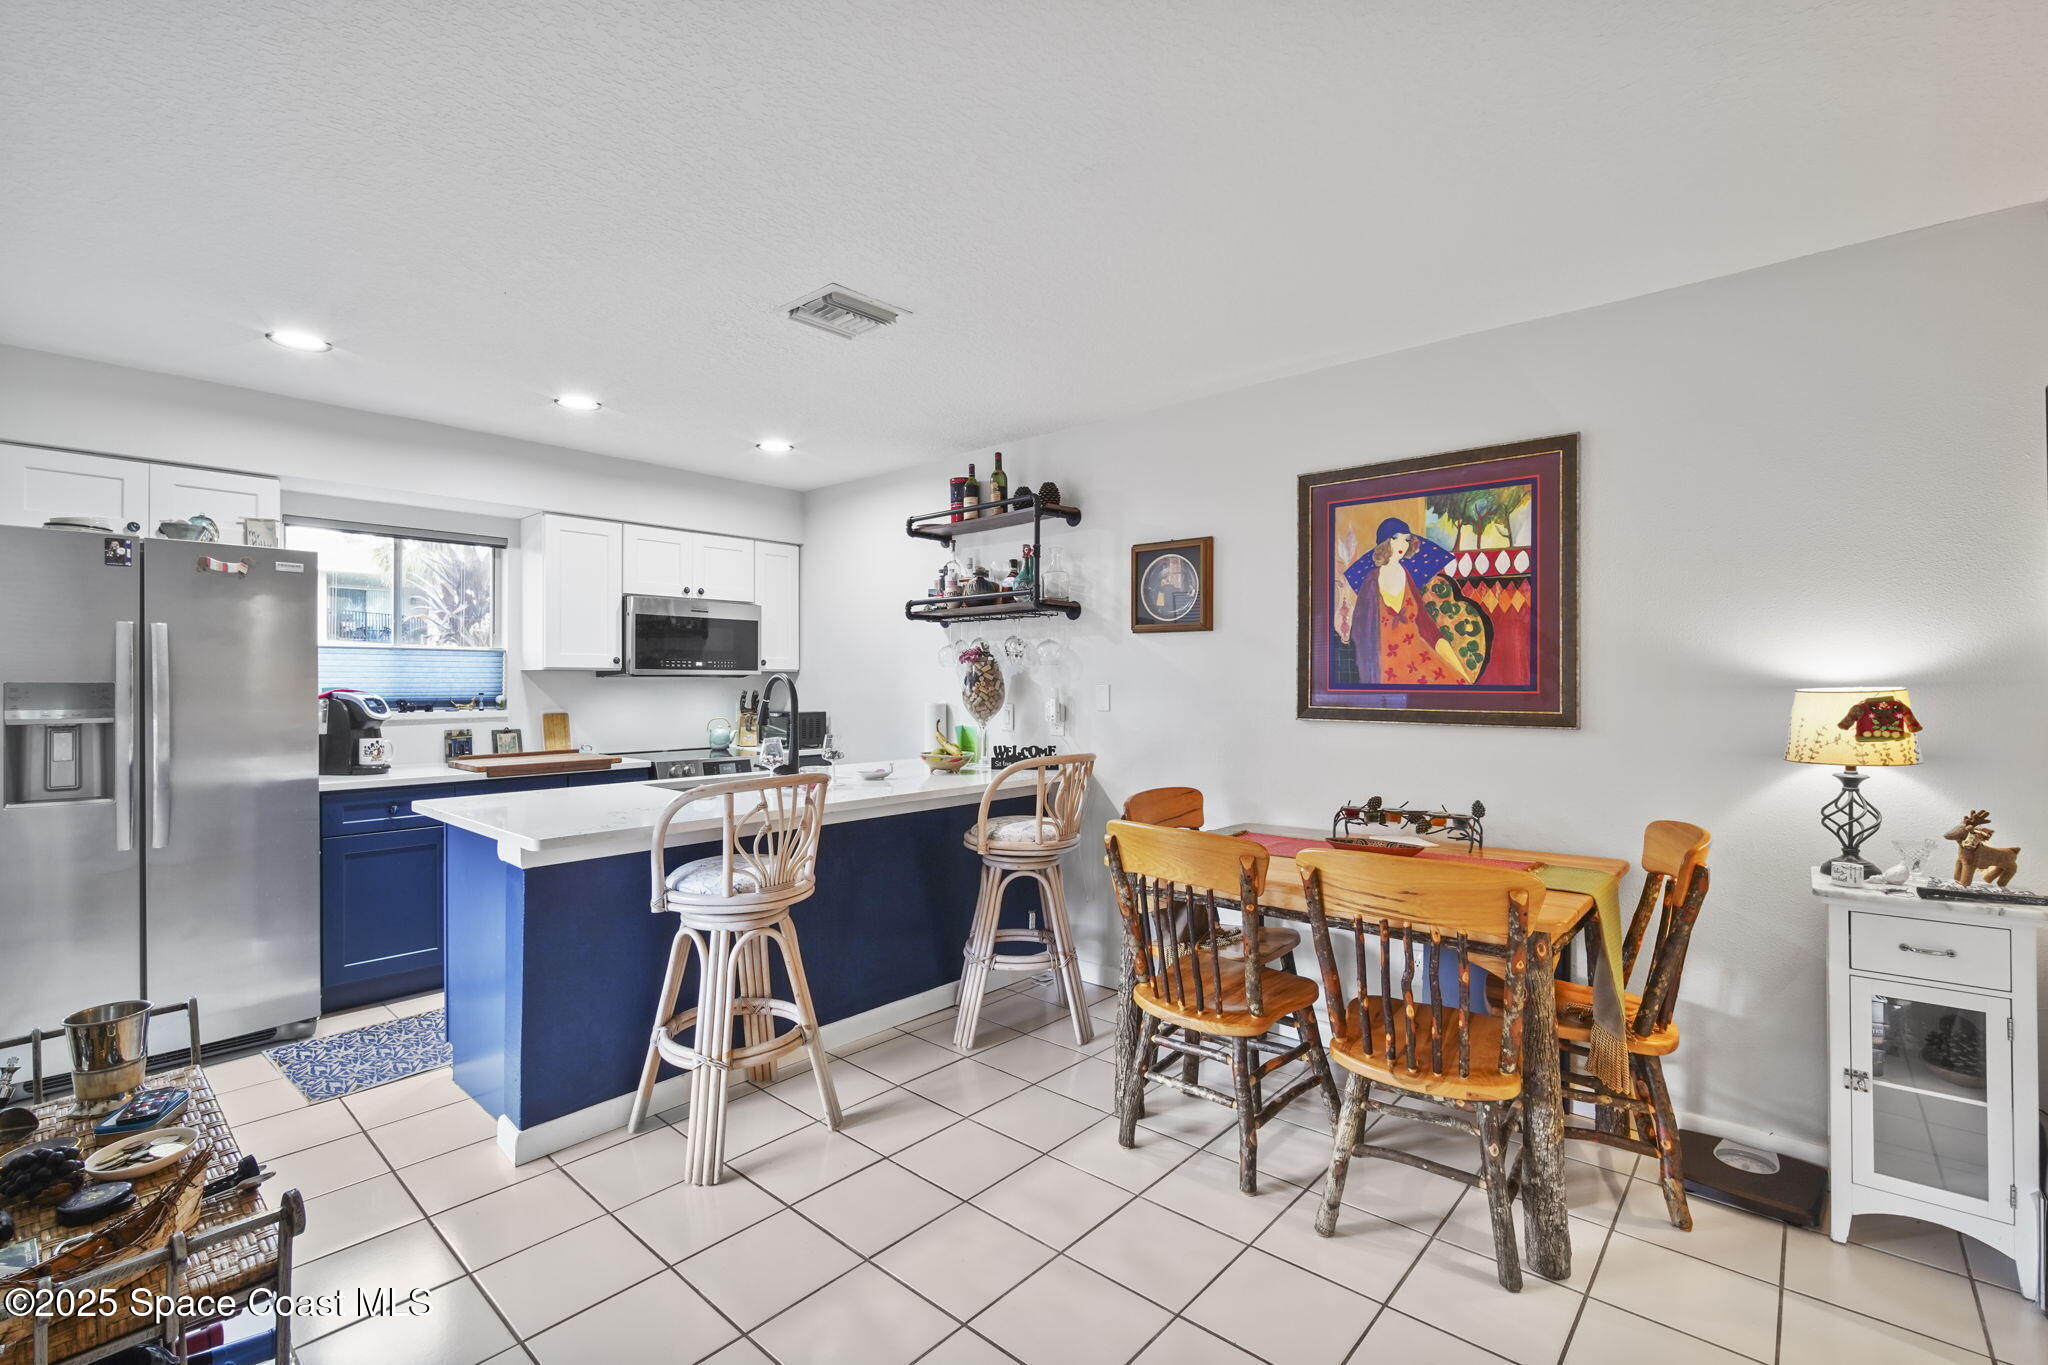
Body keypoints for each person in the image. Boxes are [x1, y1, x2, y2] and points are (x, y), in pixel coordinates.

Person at [1334, 517, 1486, 686]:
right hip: (1385, 664)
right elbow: (1361, 633)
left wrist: (1458, 669)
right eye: (1396, 538)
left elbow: (1425, 624)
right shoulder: (1371, 580)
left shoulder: (1406, 574)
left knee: (1454, 684)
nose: (1402, 544)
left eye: (1406, 539)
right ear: (1384, 542)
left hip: (1419, 654)